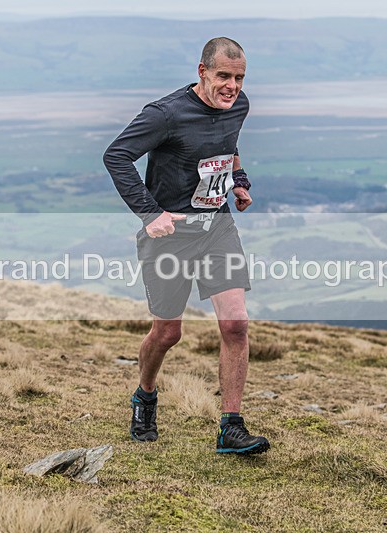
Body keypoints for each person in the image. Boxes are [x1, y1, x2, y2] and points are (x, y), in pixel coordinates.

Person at [103, 37, 269, 455]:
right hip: (170, 235)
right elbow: (117, 156)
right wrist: (150, 213)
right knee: (167, 332)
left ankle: (230, 427)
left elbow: (227, 148)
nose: (233, 86)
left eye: (239, 77)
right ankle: (145, 395)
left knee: (236, 324)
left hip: (217, 227)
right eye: (224, 77)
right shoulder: (166, 114)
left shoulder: (239, 105)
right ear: (202, 72)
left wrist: (240, 181)